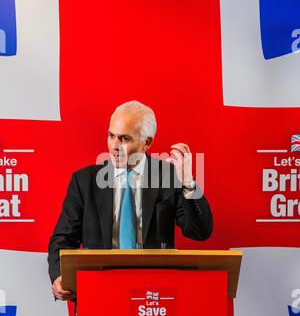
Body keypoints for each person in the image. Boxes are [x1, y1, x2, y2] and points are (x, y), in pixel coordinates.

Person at [47, 100, 213, 300]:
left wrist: (187, 181)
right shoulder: (84, 181)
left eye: (124, 139)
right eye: (111, 136)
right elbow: (63, 239)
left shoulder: (168, 176)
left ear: (147, 142)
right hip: (99, 291)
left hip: (154, 295)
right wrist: (58, 275)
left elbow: (200, 231)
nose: (115, 146)